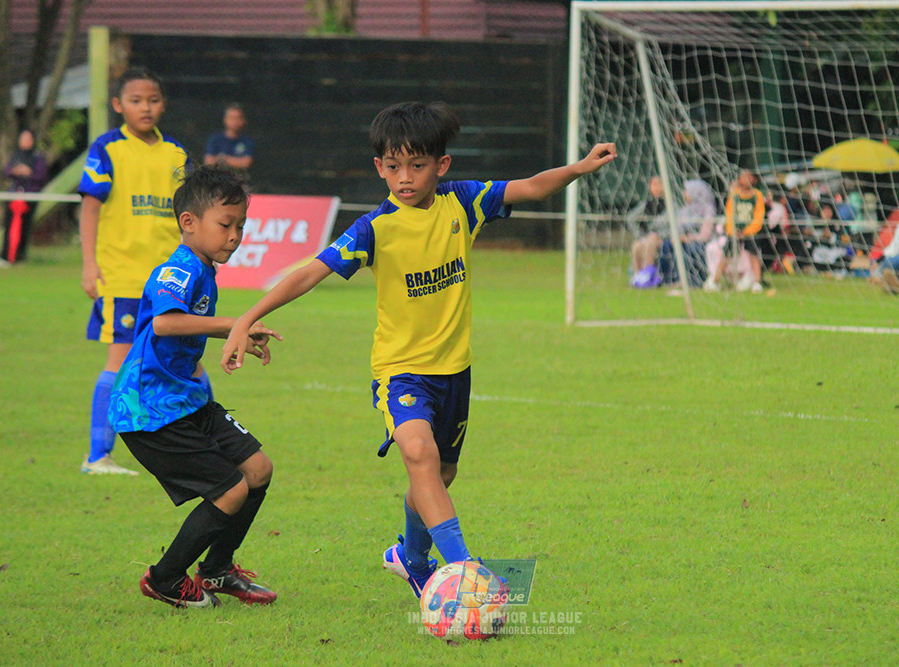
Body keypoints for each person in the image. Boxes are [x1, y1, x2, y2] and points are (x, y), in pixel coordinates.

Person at [219, 101, 616, 599]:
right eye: (392, 166)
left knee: (440, 476)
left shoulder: (464, 201)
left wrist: (578, 168)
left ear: (441, 165)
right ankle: (465, 572)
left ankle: (411, 556)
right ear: (379, 167)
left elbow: (531, 186)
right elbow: (309, 272)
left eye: (417, 165)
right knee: (419, 453)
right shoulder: (373, 228)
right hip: (400, 373)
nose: (404, 177)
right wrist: (248, 317)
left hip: (455, 373)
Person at [109, 164, 281, 608]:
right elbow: (165, 323)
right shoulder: (180, 266)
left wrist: (236, 336)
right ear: (189, 223)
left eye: (241, 226)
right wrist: (235, 323)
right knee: (231, 489)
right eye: (226, 224)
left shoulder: (204, 268)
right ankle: (165, 578)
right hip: (150, 412)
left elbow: (188, 330)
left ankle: (218, 571)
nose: (235, 235)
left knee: (257, 469)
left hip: (186, 401)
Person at [79, 68, 200, 475]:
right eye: (135, 100)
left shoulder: (177, 154)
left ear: (163, 105)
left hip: (170, 282)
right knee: (121, 359)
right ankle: (98, 456)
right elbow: (91, 206)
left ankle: (206, 445)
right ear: (118, 105)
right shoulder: (107, 148)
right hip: (124, 276)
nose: (145, 108)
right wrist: (89, 264)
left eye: (152, 100)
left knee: (189, 360)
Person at [630, 178, 716, 288]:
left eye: (687, 191)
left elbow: (705, 234)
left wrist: (686, 237)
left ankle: (652, 275)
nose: (685, 194)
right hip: (676, 238)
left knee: (674, 246)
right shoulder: (684, 210)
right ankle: (644, 276)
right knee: (640, 246)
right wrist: (642, 234)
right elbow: (678, 228)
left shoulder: (705, 210)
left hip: (694, 241)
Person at [0, 129, 49, 266]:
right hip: (14, 195)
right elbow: (6, 171)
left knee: (24, 227)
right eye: (23, 138)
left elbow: (41, 176)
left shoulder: (38, 157)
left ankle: (19, 256)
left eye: (28, 139)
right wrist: (16, 171)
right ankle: (6, 255)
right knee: (10, 226)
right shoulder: (16, 156)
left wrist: (28, 173)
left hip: (29, 196)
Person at [707, 169, 765, 292]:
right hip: (735, 232)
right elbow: (729, 214)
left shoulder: (757, 195)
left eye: (748, 177)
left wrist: (748, 231)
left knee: (754, 256)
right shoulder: (735, 195)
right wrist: (733, 231)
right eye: (743, 177)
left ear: (754, 179)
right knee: (726, 255)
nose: (744, 179)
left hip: (751, 232)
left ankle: (757, 282)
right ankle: (715, 281)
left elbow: (759, 216)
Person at [204, 103, 255, 171]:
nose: (235, 122)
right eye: (231, 118)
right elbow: (209, 162)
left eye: (238, 118)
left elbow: (246, 163)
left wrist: (223, 159)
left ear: (243, 120)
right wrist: (236, 161)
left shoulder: (248, 141)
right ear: (225, 120)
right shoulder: (215, 139)